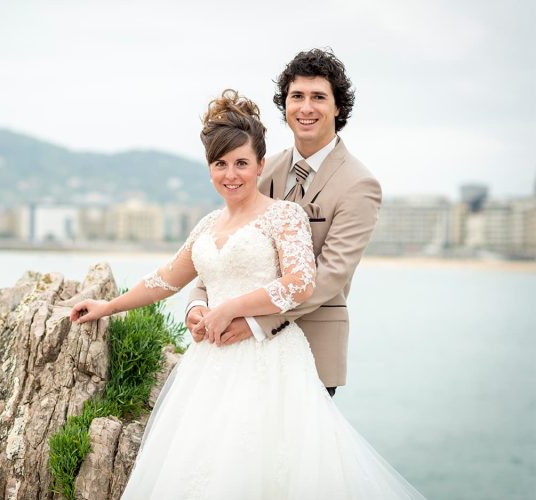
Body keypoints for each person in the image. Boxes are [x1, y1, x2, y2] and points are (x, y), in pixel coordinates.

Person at [71, 90, 425, 498]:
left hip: (270, 361)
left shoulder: (284, 215)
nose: (231, 174)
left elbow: (299, 283)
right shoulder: (207, 225)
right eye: (220, 164)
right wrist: (110, 305)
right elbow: (169, 277)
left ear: (260, 165)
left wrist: (232, 309)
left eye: (241, 163)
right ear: (209, 171)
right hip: (210, 364)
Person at [186, 49, 382, 397]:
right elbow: (224, 240)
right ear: (285, 105)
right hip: (233, 348)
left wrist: (256, 323)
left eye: (318, 97)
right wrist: (197, 302)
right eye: (297, 97)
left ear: (338, 107)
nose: (306, 108)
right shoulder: (260, 168)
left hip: (310, 350)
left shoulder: (359, 185)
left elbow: (330, 273)